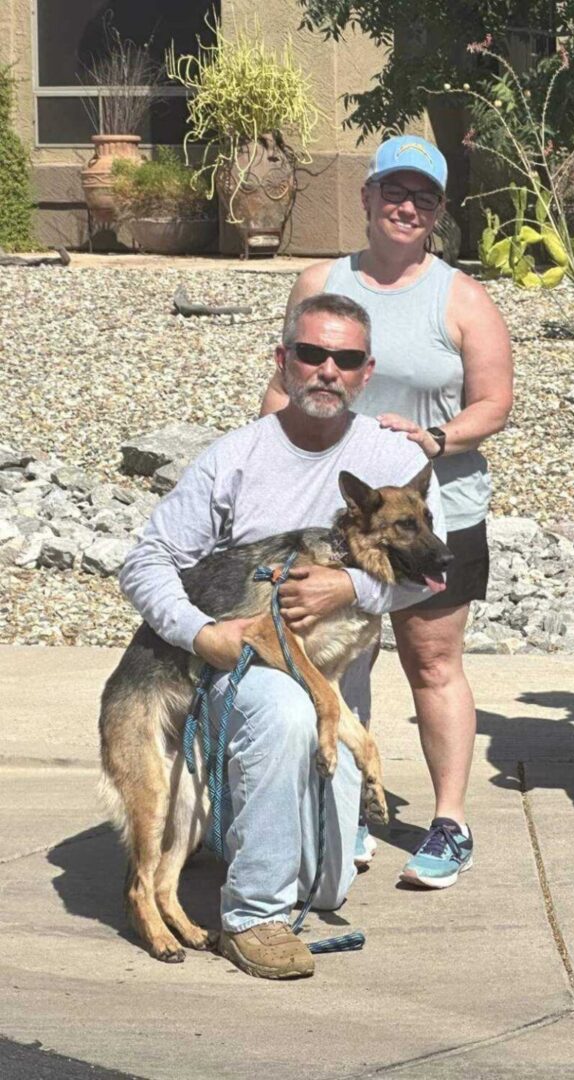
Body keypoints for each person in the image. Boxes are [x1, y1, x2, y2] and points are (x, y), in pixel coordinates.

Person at [119, 293, 448, 977]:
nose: (328, 370)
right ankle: (253, 919)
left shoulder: (393, 460)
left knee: (325, 888)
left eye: (346, 358)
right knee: (287, 706)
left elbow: (435, 571)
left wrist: (349, 586)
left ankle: (242, 832)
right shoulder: (236, 457)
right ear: (285, 362)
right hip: (226, 677)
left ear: (366, 372)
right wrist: (200, 632)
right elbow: (146, 560)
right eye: (312, 354)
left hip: (335, 697)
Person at [262, 135, 514, 890]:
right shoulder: (320, 279)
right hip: (339, 518)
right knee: (341, 655)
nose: (408, 208)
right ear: (367, 197)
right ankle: (351, 809)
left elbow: (495, 402)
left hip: (437, 516)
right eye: (395, 193)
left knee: (431, 662)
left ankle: (448, 821)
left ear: (438, 212)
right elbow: (285, 385)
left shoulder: (460, 297)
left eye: (425, 198)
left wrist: (438, 436)